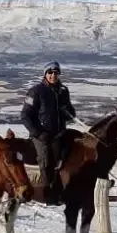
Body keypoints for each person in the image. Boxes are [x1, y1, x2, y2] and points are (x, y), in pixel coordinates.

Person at [20, 60, 76, 205]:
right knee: (46, 159)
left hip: (59, 133)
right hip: (41, 136)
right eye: (50, 73)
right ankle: (48, 192)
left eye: (56, 72)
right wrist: (38, 133)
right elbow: (26, 115)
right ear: (45, 74)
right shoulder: (36, 91)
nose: (53, 75)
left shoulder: (63, 91)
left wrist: (67, 110)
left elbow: (71, 113)